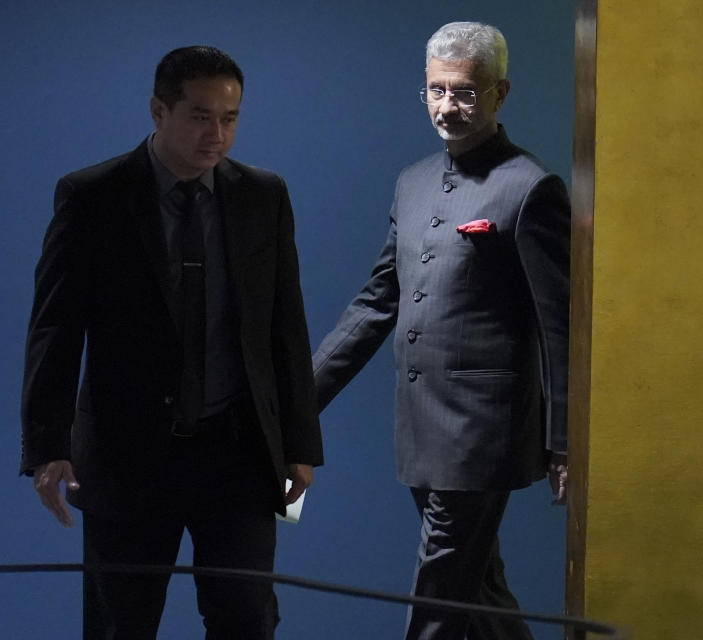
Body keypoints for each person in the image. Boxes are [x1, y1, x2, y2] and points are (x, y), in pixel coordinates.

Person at [20, 46, 323, 639]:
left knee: (247, 620)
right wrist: (47, 445)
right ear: (158, 110)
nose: (216, 134)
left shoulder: (264, 195)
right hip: (128, 455)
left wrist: (299, 442)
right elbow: (55, 328)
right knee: (120, 625)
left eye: (230, 119)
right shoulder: (93, 196)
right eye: (200, 116)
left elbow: (285, 322)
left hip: (236, 453)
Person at [311, 21, 570, 640]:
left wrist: (566, 441)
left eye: (465, 93)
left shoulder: (531, 188)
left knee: (440, 594)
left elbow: (559, 329)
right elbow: (379, 302)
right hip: (420, 427)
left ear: (500, 94)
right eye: (437, 91)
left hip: (484, 433)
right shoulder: (414, 181)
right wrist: (296, 401)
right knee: (479, 593)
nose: (448, 107)